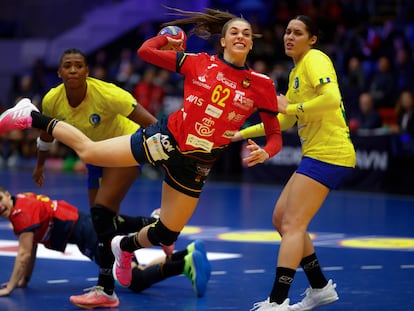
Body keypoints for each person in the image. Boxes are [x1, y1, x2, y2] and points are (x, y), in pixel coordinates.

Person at [0, 6, 282, 304]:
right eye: (234, 32)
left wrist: (266, 152)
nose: (241, 37)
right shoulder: (199, 63)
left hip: (198, 164)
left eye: (246, 34)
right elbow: (146, 52)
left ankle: (123, 247)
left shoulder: (262, 85)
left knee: (166, 233)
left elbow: (275, 135)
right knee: (89, 150)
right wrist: (167, 37)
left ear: (251, 43)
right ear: (223, 41)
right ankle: (30, 115)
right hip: (165, 139)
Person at [232, 15, 356, 310]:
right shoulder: (296, 70)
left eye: (298, 33)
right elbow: (285, 119)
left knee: (292, 223)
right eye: (287, 32)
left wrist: (294, 106)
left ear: (312, 39)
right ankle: (319, 287)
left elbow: (331, 98)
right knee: (281, 220)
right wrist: (240, 133)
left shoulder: (315, 58)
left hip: (330, 152)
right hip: (316, 154)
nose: (290, 36)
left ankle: (277, 301)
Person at [31, 48, 159, 308]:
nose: (74, 70)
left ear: (87, 71)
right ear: (60, 72)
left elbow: (151, 123)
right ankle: (156, 226)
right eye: (68, 66)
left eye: (79, 65)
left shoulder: (108, 93)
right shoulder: (51, 100)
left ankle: (106, 289)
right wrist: (40, 166)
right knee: (100, 221)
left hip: (126, 146)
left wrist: (164, 154)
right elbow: (46, 137)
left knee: (102, 214)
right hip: (95, 157)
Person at [0, 186, 211, 305]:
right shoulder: (22, 200)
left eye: (0, 198)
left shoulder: (21, 215)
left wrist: (10, 286)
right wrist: (24, 280)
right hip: (87, 225)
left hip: (87, 234)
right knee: (133, 267)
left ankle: (183, 263)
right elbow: (33, 245)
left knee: (134, 281)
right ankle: (185, 253)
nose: (0, 206)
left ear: (7, 194)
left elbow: (24, 254)